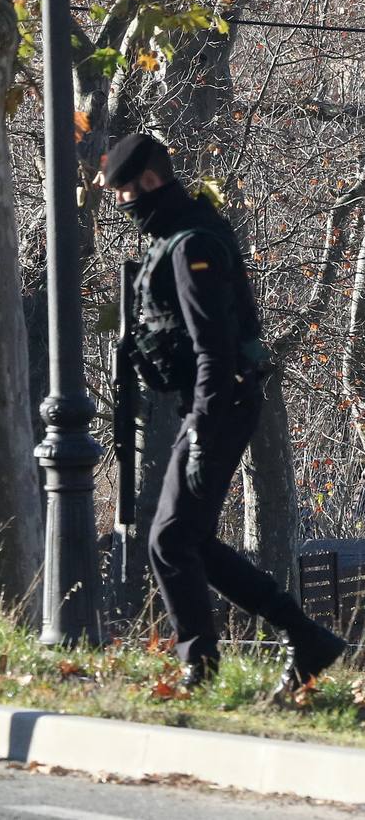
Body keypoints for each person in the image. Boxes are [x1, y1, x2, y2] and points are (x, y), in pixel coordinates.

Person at [103, 132, 347, 692]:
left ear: (147, 183)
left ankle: (200, 667)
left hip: (220, 405)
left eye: (124, 193)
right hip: (210, 405)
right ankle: (304, 636)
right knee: (188, 538)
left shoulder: (192, 245)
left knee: (168, 539)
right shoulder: (175, 236)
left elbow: (214, 350)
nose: (123, 205)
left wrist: (203, 434)